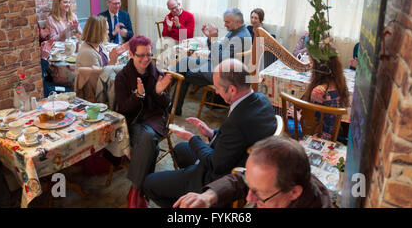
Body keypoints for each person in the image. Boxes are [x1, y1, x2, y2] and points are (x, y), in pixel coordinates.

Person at [143, 58, 277, 208]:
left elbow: (215, 164)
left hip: (219, 175)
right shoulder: (261, 99)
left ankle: (188, 200)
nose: (217, 91)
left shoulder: (237, 122)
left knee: (149, 183)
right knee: (180, 149)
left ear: (232, 89)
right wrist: (211, 133)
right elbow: (237, 137)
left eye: (218, 87)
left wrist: (192, 137)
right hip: (235, 156)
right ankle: (185, 183)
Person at [173, 135, 332, 208]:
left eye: (261, 194)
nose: (249, 198)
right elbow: (241, 179)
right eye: (251, 187)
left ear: (294, 192)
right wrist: (208, 197)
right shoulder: (290, 177)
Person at [114, 35, 173, 208]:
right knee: (150, 144)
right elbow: (123, 109)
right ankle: (142, 191)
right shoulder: (122, 77)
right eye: (141, 55)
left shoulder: (157, 73)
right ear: (131, 55)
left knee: (147, 138)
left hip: (154, 119)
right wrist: (138, 96)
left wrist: (159, 92)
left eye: (149, 54)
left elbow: (166, 105)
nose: (146, 59)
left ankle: (134, 191)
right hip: (132, 122)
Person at [173, 8, 251, 115]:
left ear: (237, 22)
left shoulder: (239, 37)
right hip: (215, 65)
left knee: (184, 74)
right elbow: (218, 51)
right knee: (184, 61)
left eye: (227, 22)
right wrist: (210, 38)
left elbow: (219, 59)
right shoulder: (235, 32)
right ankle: (165, 86)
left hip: (224, 75)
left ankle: (170, 104)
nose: (224, 25)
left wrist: (214, 39)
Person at [299, 50, 350, 141]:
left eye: (311, 62)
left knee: (288, 122)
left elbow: (310, 125)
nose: (310, 66)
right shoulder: (340, 83)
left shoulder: (319, 91)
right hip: (335, 132)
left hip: (318, 137)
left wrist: (299, 117)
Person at [75, 16, 126, 101]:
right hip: (96, 95)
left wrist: (113, 60)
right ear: (98, 32)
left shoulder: (99, 44)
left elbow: (104, 67)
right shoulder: (88, 53)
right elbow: (100, 80)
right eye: (106, 30)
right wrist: (113, 60)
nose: (108, 32)